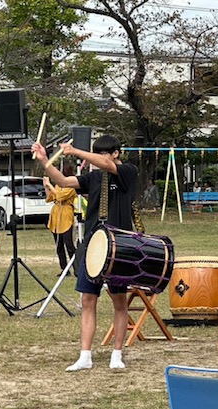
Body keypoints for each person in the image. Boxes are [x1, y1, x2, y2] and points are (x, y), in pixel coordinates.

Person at [32, 135, 138, 371]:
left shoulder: (127, 171)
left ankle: (117, 354)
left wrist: (76, 151)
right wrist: (44, 161)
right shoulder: (94, 177)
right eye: (96, 154)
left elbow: (107, 165)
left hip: (119, 244)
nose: (99, 159)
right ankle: (85, 355)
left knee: (119, 302)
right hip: (93, 244)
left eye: (103, 153)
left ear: (116, 153)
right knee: (88, 299)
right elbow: (64, 182)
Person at [43, 164, 77, 277]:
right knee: (59, 245)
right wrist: (46, 187)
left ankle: (76, 268)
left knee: (69, 244)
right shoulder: (57, 185)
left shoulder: (71, 186)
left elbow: (60, 196)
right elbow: (50, 198)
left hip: (66, 214)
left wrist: (50, 185)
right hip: (56, 214)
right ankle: (64, 269)